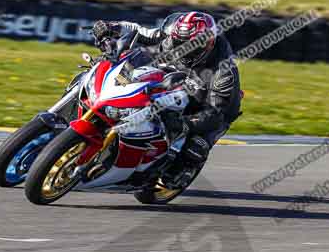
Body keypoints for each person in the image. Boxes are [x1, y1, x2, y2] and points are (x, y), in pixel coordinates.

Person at [91, 11, 242, 187]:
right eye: (179, 42)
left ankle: (177, 172)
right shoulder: (173, 33)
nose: (183, 49)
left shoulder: (223, 72)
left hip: (210, 103)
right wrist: (111, 27)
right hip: (177, 78)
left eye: (191, 46)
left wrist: (185, 123)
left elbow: (214, 114)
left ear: (206, 45)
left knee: (196, 146)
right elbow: (140, 31)